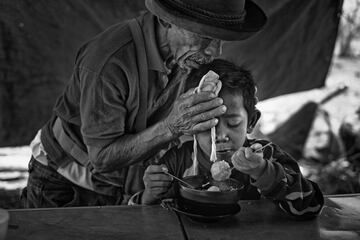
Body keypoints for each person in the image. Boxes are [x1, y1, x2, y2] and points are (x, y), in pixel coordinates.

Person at [21, 0, 267, 207]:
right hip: (65, 182)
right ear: (166, 20)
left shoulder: (188, 56)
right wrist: (171, 127)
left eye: (221, 40)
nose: (215, 51)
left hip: (127, 185)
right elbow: (103, 158)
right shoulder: (109, 62)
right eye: (205, 37)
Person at [139, 59, 324, 218]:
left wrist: (263, 172)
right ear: (191, 125)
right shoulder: (176, 162)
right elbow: (145, 221)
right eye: (207, 126)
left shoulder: (266, 155)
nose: (220, 136)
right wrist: (149, 195)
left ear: (251, 121)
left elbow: (310, 207)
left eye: (233, 123)